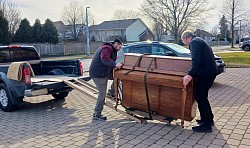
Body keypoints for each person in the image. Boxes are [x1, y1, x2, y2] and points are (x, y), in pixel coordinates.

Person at [181, 30, 217, 133]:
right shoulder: (199, 40)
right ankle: (209, 119)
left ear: (186, 38)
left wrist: (190, 74)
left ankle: (206, 125)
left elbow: (196, 60)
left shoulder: (194, 42)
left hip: (206, 73)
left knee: (200, 97)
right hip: (210, 72)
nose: (185, 44)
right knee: (203, 97)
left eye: (184, 41)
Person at [89, 39, 123, 121]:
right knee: (102, 94)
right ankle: (97, 114)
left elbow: (109, 62)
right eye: (119, 46)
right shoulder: (107, 48)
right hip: (98, 74)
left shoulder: (112, 50)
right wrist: (115, 64)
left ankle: (111, 93)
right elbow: (104, 59)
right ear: (116, 44)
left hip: (104, 73)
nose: (120, 48)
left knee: (118, 77)